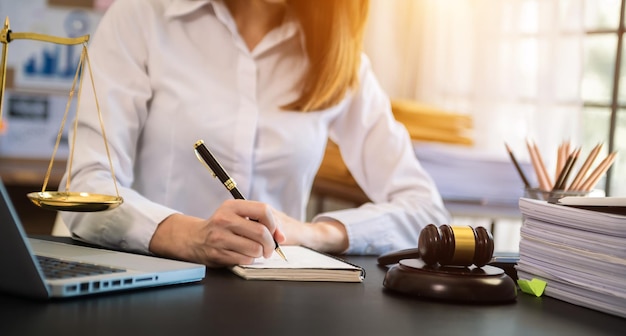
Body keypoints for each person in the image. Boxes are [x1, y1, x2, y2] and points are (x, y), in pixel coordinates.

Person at [60, 0, 450, 267]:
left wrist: (314, 234)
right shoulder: (143, 17)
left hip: (274, 297)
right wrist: (192, 236)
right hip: (146, 287)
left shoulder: (336, 57)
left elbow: (427, 213)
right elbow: (86, 189)